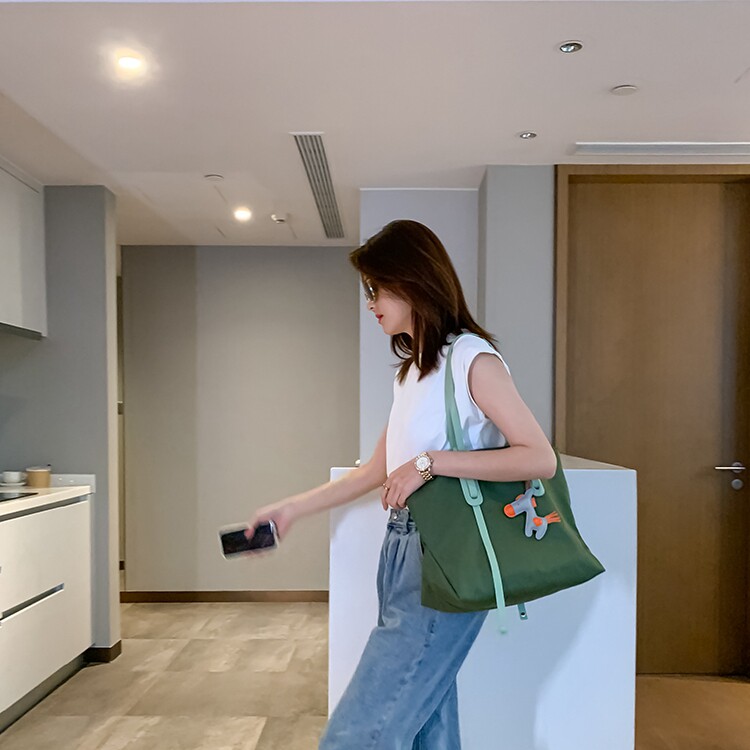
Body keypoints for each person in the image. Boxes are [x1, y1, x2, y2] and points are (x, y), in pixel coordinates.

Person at [249, 219, 556, 749]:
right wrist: (292, 509)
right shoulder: (411, 373)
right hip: (401, 547)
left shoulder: (472, 358)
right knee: (426, 721)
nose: (370, 303)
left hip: (445, 552)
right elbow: (377, 470)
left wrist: (430, 463)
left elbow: (538, 457)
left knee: (359, 732)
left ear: (414, 281)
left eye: (378, 288)